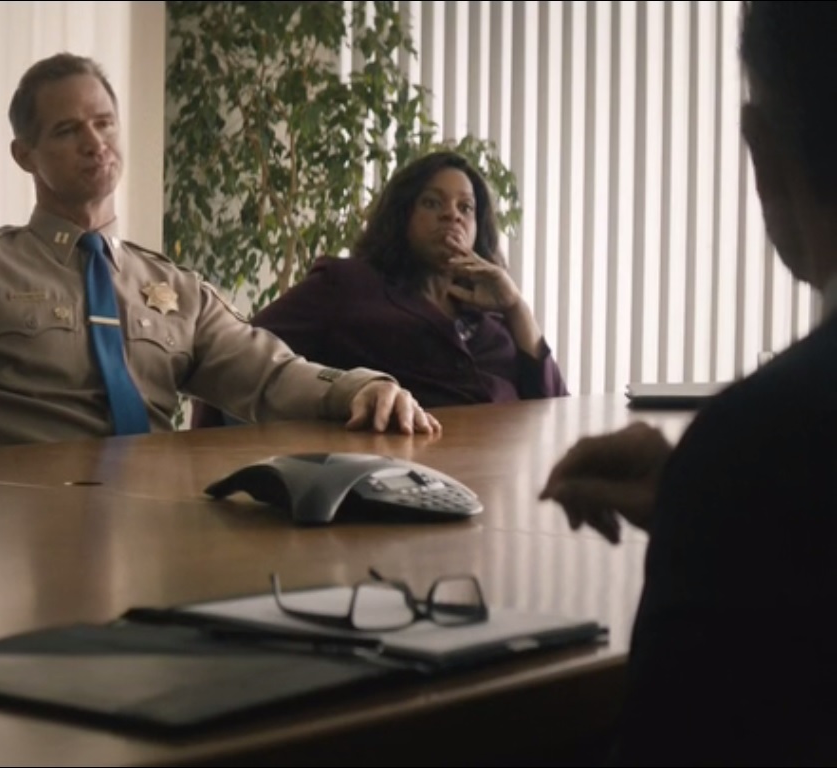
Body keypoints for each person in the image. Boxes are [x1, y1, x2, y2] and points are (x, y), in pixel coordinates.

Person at [0, 52, 438, 459]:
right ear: (24, 155)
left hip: (156, 524)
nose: (94, 142)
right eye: (67, 131)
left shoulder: (176, 289)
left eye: (104, 123)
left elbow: (271, 376)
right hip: (18, 531)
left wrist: (360, 387)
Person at [540, 3, 837, 764]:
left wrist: (729, 494)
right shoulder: (758, 462)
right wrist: (704, 496)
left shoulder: (762, 447)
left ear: (762, 153)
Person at [194, 150, 567, 428]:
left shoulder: (489, 308)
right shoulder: (348, 284)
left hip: (508, 471)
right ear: (402, 215)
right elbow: (237, 355)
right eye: (432, 202)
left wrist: (515, 307)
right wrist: (211, 458)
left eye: (465, 207)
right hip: (412, 475)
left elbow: (556, 411)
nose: (451, 214)